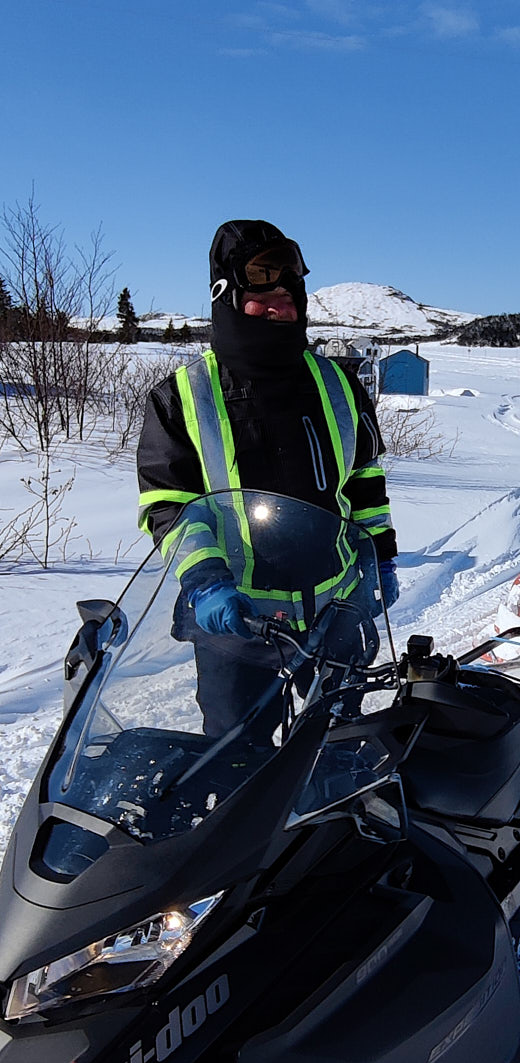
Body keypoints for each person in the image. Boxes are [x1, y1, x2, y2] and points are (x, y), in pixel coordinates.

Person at [136, 219, 398, 740]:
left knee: (339, 745)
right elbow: (168, 505)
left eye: (289, 291)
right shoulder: (181, 397)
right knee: (238, 763)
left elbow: (365, 480)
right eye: (263, 292)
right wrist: (207, 585)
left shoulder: (340, 383)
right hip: (237, 622)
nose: (279, 304)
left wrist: (382, 558)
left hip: (336, 612)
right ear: (227, 297)